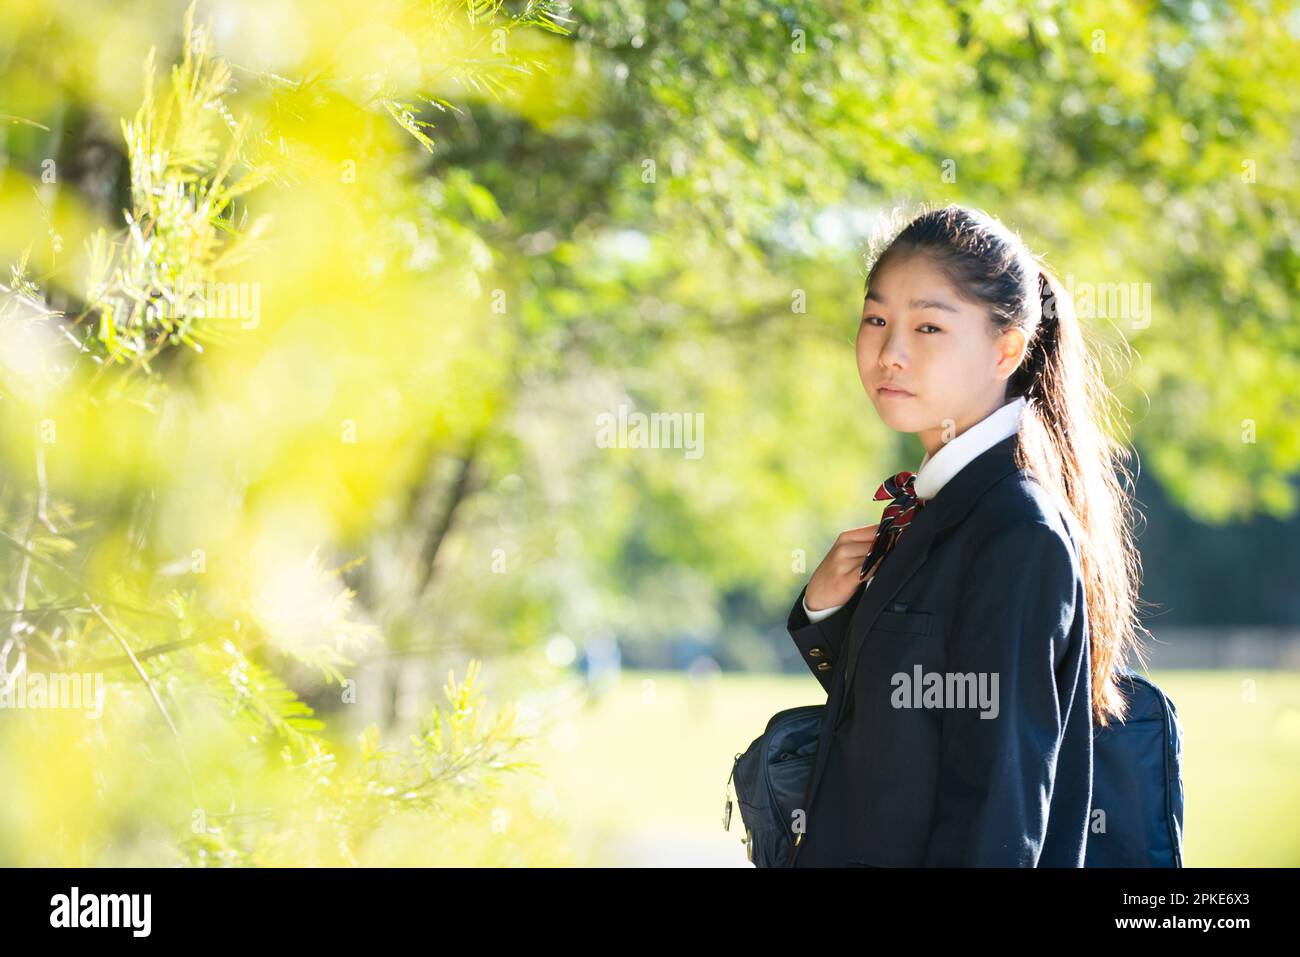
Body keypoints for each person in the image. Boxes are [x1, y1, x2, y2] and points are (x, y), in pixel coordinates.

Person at [786, 203, 1148, 867]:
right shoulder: (944, 504)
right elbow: (910, 711)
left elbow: (998, 806)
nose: (890, 352)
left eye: (928, 325)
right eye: (875, 319)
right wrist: (828, 612)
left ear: (1005, 348)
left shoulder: (1016, 531)